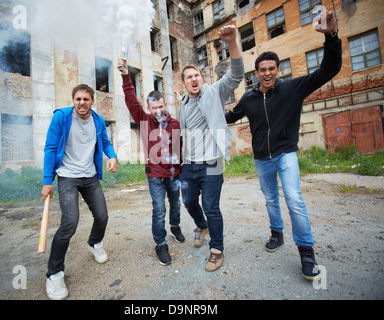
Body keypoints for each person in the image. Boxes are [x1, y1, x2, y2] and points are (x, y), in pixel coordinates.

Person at [225, 11, 342, 280]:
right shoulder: (248, 99)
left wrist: (331, 37)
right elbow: (229, 117)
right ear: (256, 73)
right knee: (270, 199)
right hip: (261, 159)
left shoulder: (293, 89)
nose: (267, 73)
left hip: (286, 154)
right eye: (262, 70)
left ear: (278, 70)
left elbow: (329, 69)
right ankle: (276, 234)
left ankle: (307, 252)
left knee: (294, 199)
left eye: (271, 69)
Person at [41, 84, 118, 300]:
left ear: (92, 101)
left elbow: (104, 142)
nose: (81, 103)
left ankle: (95, 242)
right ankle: (54, 274)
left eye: (85, 99)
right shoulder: (62, 118)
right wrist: (48, 181)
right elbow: (50, 147)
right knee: (69, 223)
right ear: (73, 100)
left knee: (102, 216)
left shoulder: (98, 120)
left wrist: (112, 156)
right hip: (68, 176)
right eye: (78, 99)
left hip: (90, 175)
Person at [179, 25, 245, 272]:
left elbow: (237, 75)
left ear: (202, 79)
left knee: (211, 207)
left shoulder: (214, 92)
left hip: (212, 163)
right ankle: (201, 225)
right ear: (184, 83)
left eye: (196, 75)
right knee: (187, 201)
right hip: (189, 165)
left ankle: (217, 249)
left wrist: (233, 43)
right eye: (188, 77)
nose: (193, 80)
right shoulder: (183, 105)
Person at [117, 58, 184, 266]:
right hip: (154, 174)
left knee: (175, 204)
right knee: (158, 208)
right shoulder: (144, 120)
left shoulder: (175, 123)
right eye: (154, 107)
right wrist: (125, 75)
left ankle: (175, 227)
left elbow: (183, 150)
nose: (158, 111)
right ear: (149, 107)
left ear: (165, 104)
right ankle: (160, 244)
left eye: (160, 106)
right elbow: (130, 100)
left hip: (174, 175)